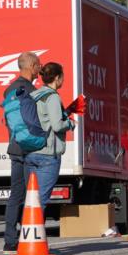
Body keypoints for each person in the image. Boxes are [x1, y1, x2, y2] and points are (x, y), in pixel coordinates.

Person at [2, 51, 42, 254]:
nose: (40, 69)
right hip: (30, 148)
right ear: (32, 66)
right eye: (39, 65)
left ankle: (10, 241)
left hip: (15, 147)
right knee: (32, 194)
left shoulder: (9, 89)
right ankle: (30, 236)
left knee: (16, 194)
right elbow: (34, 121)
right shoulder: (30, 91)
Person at [26, 62, 76, 210]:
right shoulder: (52, 97)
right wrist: (71, 124)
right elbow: (57, 125)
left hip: (31, 151)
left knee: (31, 198)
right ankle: (34, 231)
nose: (63, 80)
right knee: (41, 199)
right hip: (47, 154)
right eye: (62, 77)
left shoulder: (35, 94)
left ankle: (27, 229)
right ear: (57, 78)